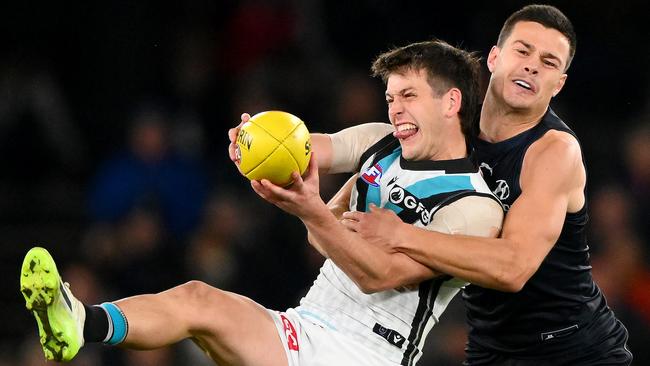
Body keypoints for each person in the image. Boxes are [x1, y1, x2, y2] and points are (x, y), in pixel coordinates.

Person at [20, 40, 503, 365]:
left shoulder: (473, 206)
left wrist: (313, 210)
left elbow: (378, 274)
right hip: (308, 322)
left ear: (452, 102)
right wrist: (254, 142)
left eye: (409, 95)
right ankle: (81, 322)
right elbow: (304, 160)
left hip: (364, 352)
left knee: (202, 306)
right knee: (198, 298)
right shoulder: (380, 143)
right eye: (391, 95)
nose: (395, 108)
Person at [339, 5, 633, 365]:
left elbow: (513, 268)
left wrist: (401, 236)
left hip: (571, 350)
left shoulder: (554, 151)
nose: (532, 66)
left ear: (558, 85)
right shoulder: (453, 125)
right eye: (522, 51)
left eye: (549, 62)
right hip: (491, 346)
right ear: (494, 58)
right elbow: (381, 160)